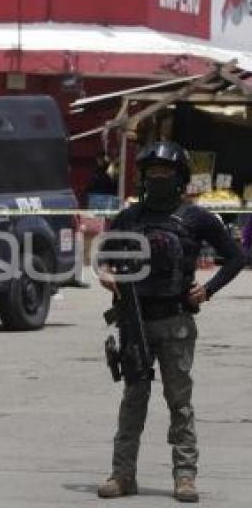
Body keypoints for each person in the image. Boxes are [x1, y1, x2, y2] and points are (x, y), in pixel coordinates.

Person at [96, 142, 245, 503]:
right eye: (151, 173)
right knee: (134, 399)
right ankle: (122, 475)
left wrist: (207, 290)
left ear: (179, 178)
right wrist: (106, 275)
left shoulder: (197, 218)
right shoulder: (130, 218)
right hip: (135, 321)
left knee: (179, 402)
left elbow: (236, 257)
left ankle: (185, 476)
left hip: (176, 322)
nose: (157, 178)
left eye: (164, 172)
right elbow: (103, 255)